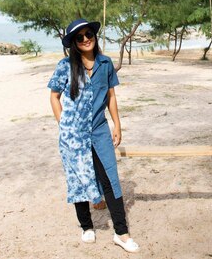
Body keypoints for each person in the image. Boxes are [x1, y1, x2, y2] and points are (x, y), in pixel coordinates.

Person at [48, 18, 140, 253]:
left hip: (99, 130)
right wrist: (64, 124)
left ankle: (121, 233)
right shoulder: (65, 66)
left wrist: (117, 125)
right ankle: (86, 226)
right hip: (73, 134)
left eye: (89, 34)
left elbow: (111, 97)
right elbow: (54, 97)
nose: (86, 39)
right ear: (74, 43)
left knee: (110, 178)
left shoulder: (105, 63)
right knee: (78, 179)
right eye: (80, 37)